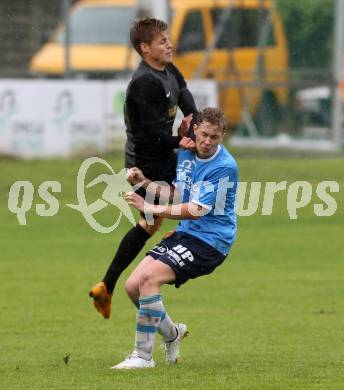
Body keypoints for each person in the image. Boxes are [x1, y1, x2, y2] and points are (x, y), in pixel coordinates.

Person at [111, 107, 238, 369]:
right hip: (186, 234)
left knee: (149, 279)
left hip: (211, 242)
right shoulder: (186, 155)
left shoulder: (225, 167)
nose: (207, 141)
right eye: (203, 134)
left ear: (222, 136)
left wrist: (150, 208)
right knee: (132, 286)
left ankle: (143, 357)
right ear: (196, 130)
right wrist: (145, 182)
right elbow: (180, 196)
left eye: (214, 137)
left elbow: (195, 210)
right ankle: (172, 334)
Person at [89, 17, 197, 318]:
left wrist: (195, 124)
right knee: (176, 208)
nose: (169, 45)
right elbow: (152, 137)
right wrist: (183, 141)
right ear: (145, 48)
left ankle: (106, 286)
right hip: (145, 165)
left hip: (163, 158)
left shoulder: (168, 70)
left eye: (168, 39)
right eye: (162, 41)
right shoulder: (143, 84)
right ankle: (177, 238)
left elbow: (186, 97)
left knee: (154, 220)